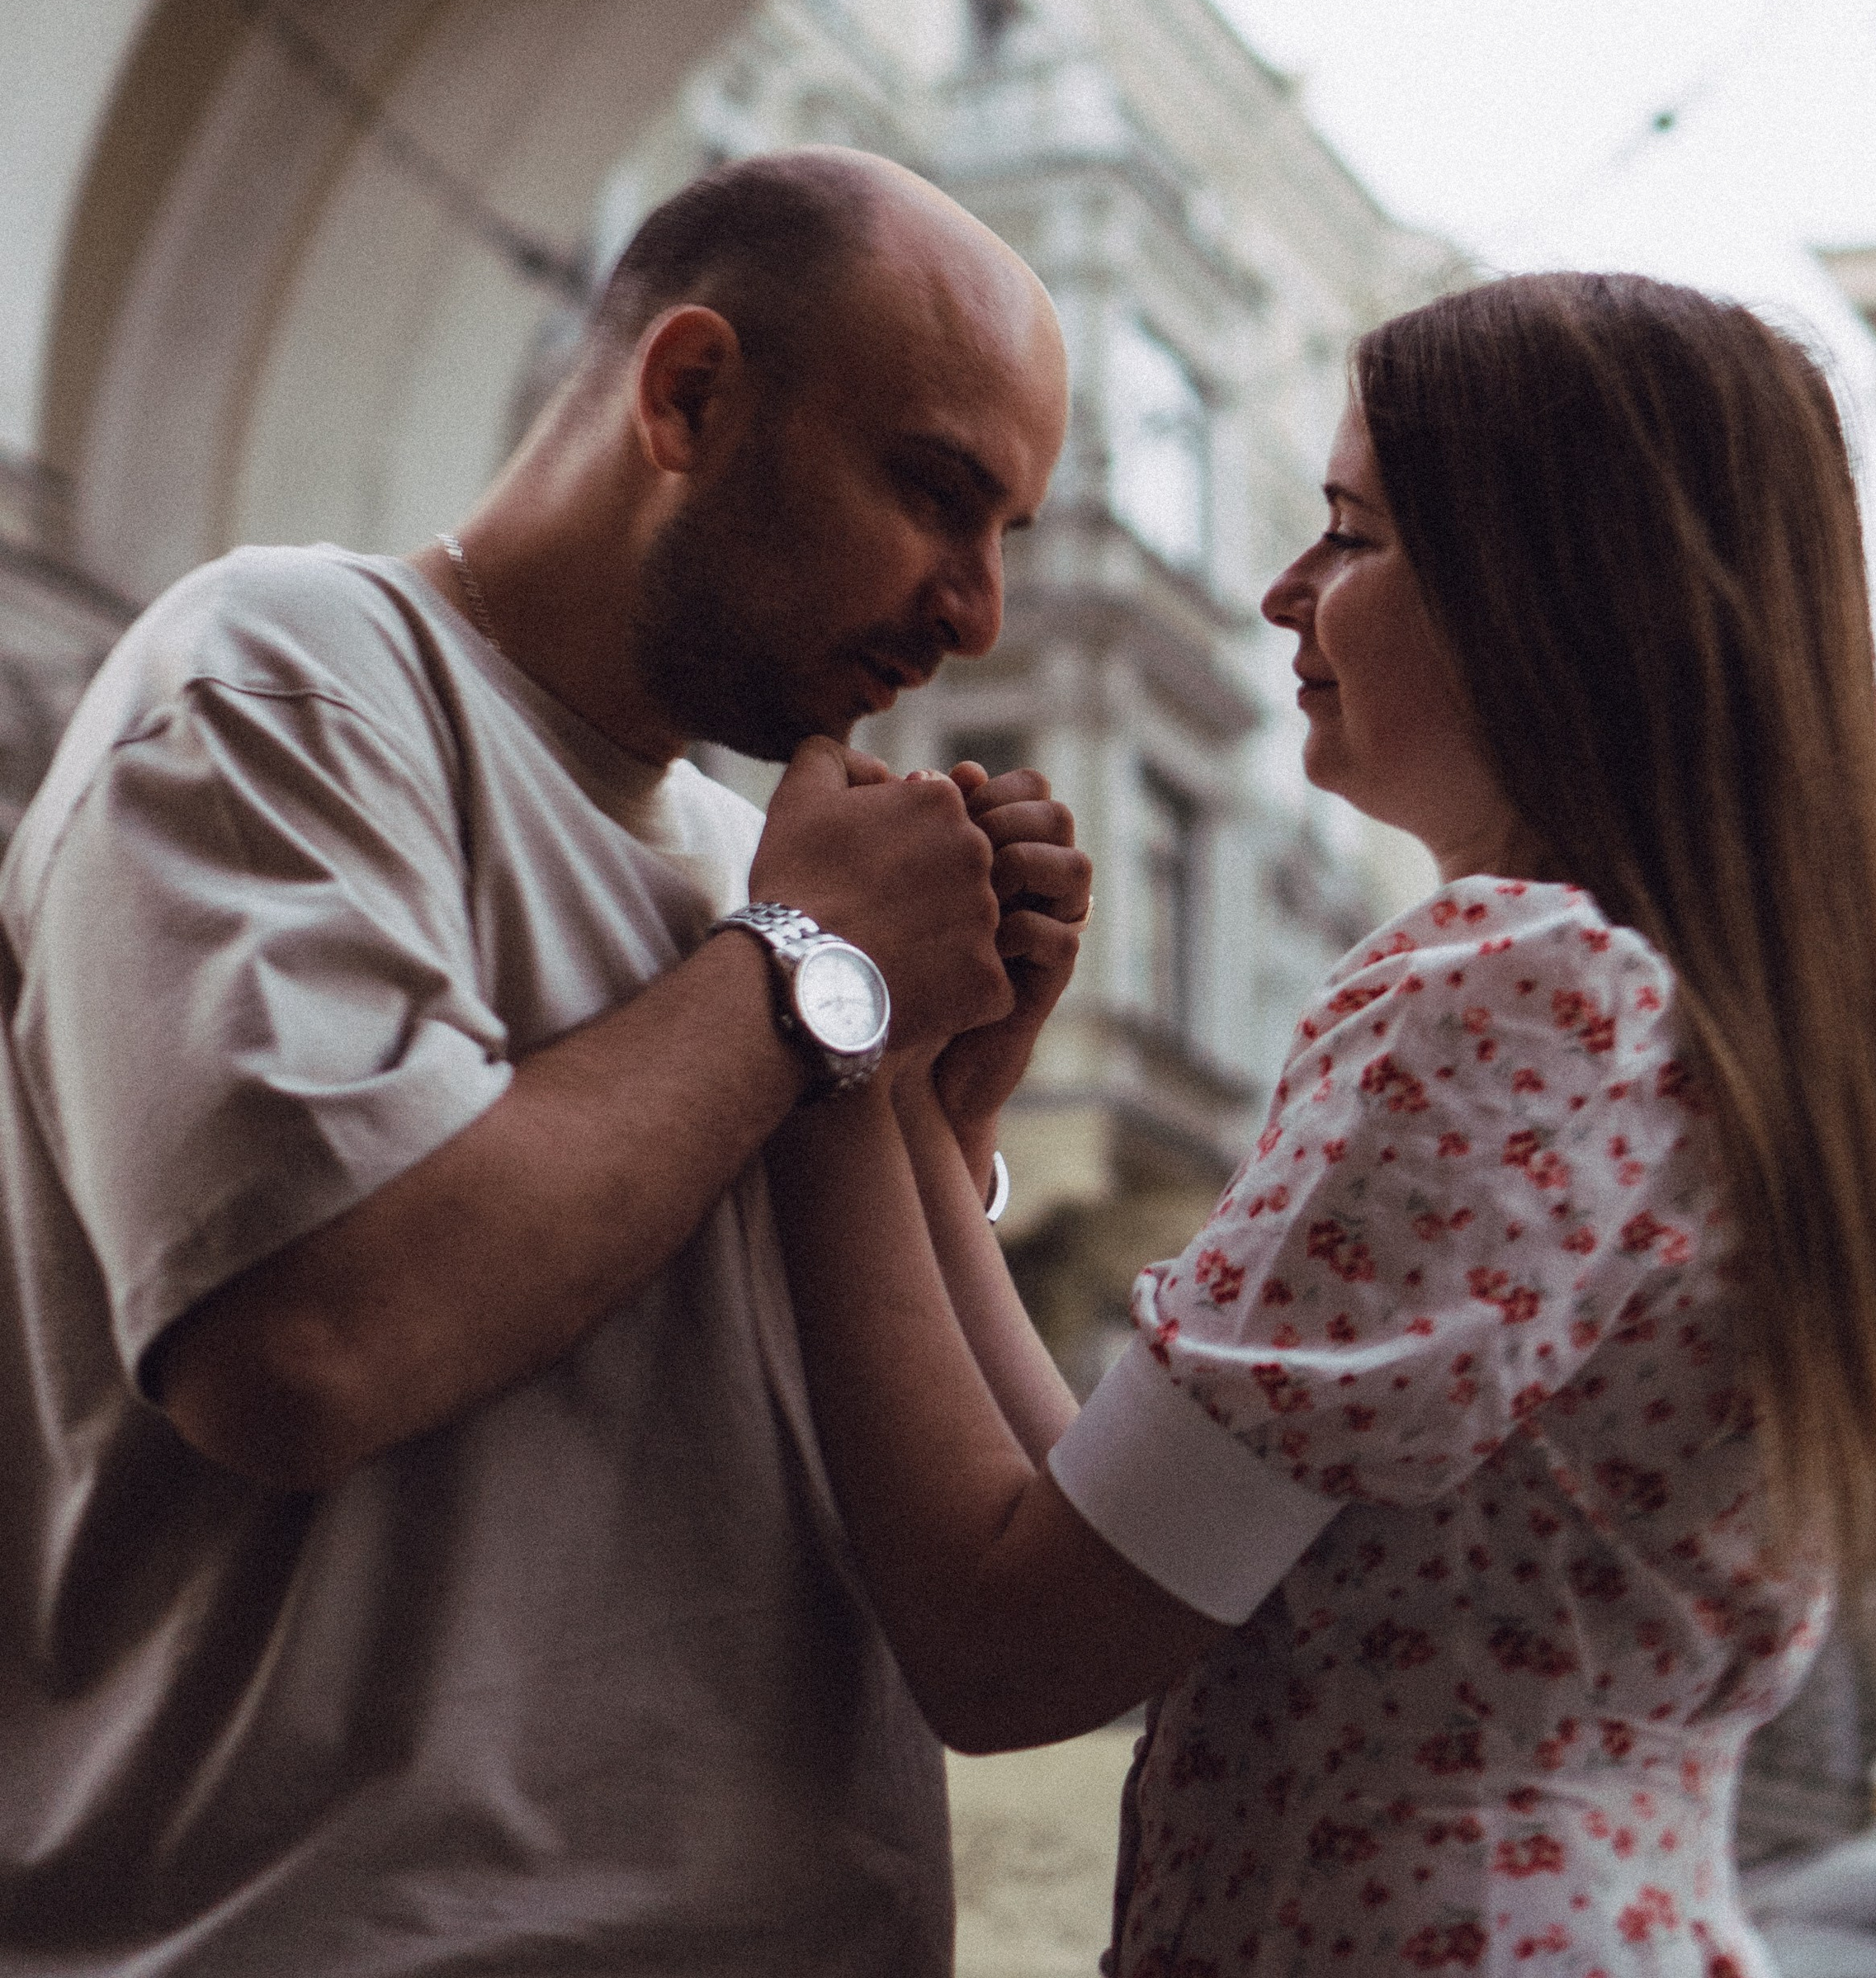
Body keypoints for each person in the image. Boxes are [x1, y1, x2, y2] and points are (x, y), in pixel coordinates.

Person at [768, 271, 1876, 1978]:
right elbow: (1110, 1527)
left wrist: (816, 992)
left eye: (1353, 537)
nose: (1282, 592)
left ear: (1558, 592)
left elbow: (1007, 1651)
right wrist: (920, 1103)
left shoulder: (1516, 990)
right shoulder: (1685, 1013)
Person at [0, 148, 1092, 1976]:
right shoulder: (285, 671)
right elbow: (307, 1347)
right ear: (689, 396)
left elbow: (984, 1604)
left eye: (1007, 537)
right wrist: (811, 974)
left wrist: (929, 1099)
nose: (973, 608)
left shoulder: (773, 878)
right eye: (932, 492)